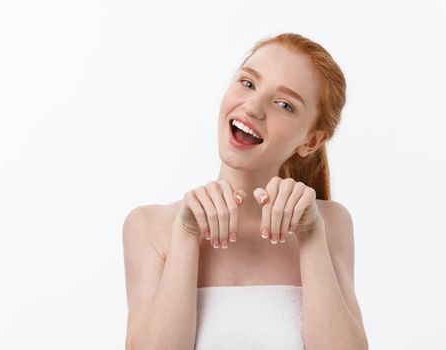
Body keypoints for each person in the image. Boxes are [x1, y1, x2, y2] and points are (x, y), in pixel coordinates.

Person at [122, 32, 368, 349]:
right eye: (248, 83)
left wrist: (310, 236)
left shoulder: (330, 224)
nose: (253, 106)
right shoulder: (149, 227)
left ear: (311, 141)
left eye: (284, 104)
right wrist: (185, 237)